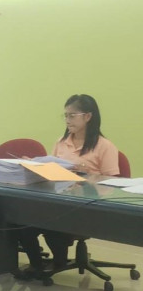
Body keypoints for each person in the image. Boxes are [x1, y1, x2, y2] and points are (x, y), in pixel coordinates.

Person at [18, 94, 120, 274]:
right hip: (59, 200)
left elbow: (113, 184)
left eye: (72, 115)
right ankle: (37, 265)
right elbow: (52, 170)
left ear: (88, 116)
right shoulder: (61, 142)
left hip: (86, 206)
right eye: (65, 115)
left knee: (53, 223)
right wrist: (35, 165)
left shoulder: (105, 146)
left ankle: (59, 261)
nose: (67, 120)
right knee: (21, 222)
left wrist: (85, 175)